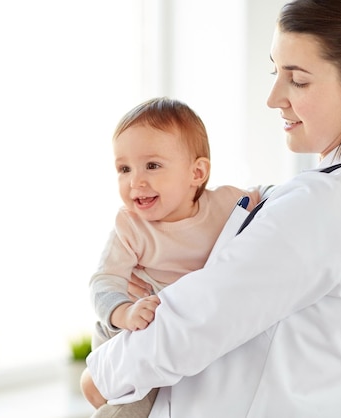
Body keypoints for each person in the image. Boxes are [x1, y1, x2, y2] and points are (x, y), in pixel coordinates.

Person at [82, 0, 341, 416]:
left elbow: (198, 322)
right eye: (274, 71)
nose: (273, 98)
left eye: (297, 81)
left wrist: (100, 375)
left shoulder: (323, 204)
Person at [88, 96, 265, 418]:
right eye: (123, 168)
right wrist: (125, 313)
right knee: (131, 408)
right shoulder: (130, 226)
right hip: (128, 330)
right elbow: (103, 282)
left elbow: (268, 200)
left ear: (196, 172)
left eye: (152, 165)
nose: (135, 181)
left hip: (178, 328)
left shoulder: (227, 203)